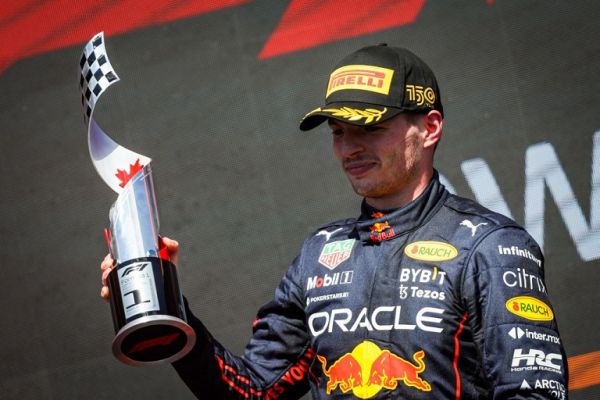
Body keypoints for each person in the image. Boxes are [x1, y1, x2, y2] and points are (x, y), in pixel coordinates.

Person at [101, 44, 569, 399]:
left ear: (429, 128)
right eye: (339, 132)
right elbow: (252, 390)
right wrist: (168, 307)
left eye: (369, 127)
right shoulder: (320, 253)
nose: (349, 148)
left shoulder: (490, 245)